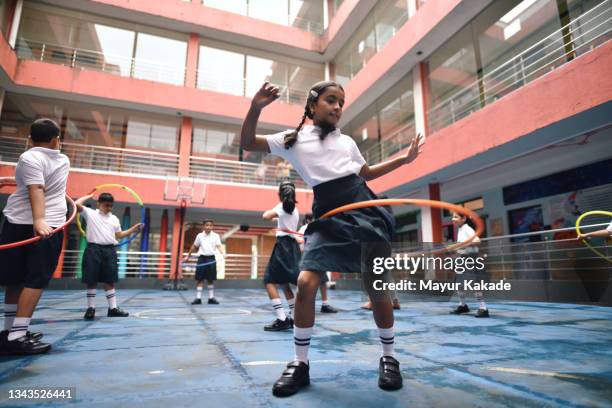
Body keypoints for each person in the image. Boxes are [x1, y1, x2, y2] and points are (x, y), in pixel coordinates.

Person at [240, 81, 423, 396]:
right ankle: (300, 364)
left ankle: (389, 358)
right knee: (307, 282)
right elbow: (246, 142)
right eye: (331, 100)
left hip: (363, 211)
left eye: (341, 102)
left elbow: (365, 174)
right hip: (327, 216)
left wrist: (403, 160)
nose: (338, 107)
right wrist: (256, 107)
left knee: (376, 285)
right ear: (312, 106)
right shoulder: (292, 139)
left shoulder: (347, 142)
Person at [0, 118, 69, 355]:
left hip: (17, 224)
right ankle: (17, 335)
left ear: (29, 139)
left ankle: (11, 330)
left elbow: (36, 184)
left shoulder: (28, 157)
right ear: (56, 140)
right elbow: (37, 188)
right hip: (45, 227)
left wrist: (17, 181)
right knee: (34, 280)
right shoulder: (62, 158)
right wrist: (40, 219)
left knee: (15, 279)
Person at [75, 192, 143, 320]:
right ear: (99, 204)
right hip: (93, 249)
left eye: (111, 206)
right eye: (107, 205)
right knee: (92, 280)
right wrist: (89, 195)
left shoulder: (114, 218)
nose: (109, 208)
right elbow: (76, 204)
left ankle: (113, 308)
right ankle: (91, 308)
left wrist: (133, 229)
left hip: (109, 250)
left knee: (109, 280)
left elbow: (119, 235)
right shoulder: (90, 213)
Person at [262, 181, 300, 331]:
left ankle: (281, 318)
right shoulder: (294, 209)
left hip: (283, 246)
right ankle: (294, 317)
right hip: (292, 246)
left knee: (269, 280)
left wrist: (273, 212)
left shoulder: (281, 207)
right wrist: (278, 219)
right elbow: (284, 219)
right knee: (284, 283)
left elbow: (265, 216)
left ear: (280, 194)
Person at [449, 211, 489, 318]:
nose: (453, 219)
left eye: (455, 217)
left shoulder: (467, 229)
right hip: (463, 259)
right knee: (459, 284)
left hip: (470, 259)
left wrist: (462, 245)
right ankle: (463, 305)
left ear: (463, 218)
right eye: (452, 217)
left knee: (475, 285)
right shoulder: (461, 229)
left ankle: (483, 308)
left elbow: (477, 241)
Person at [297, 214, 338, 313]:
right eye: (312, 219)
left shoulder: (319, 227)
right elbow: (299, 242)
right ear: (307, 220)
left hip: (319, 256)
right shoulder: (303, 229)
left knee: (323, 281)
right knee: (305, 282)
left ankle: (325, 304)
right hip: (307, 257)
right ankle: (303, 304)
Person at [184, 220, 224, 305]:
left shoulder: (216, 236)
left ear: (212, 226)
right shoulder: (200, 236)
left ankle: (211, 298)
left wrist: (223, 253)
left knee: (211, 279)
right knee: (199, 279)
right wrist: (188, 256)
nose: (209, 227)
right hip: (202, 259)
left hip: (211, 259)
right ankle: (198, 298)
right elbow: (194, 246)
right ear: (203, 226)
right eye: (207, 225)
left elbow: (219, 246)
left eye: (210, 225)